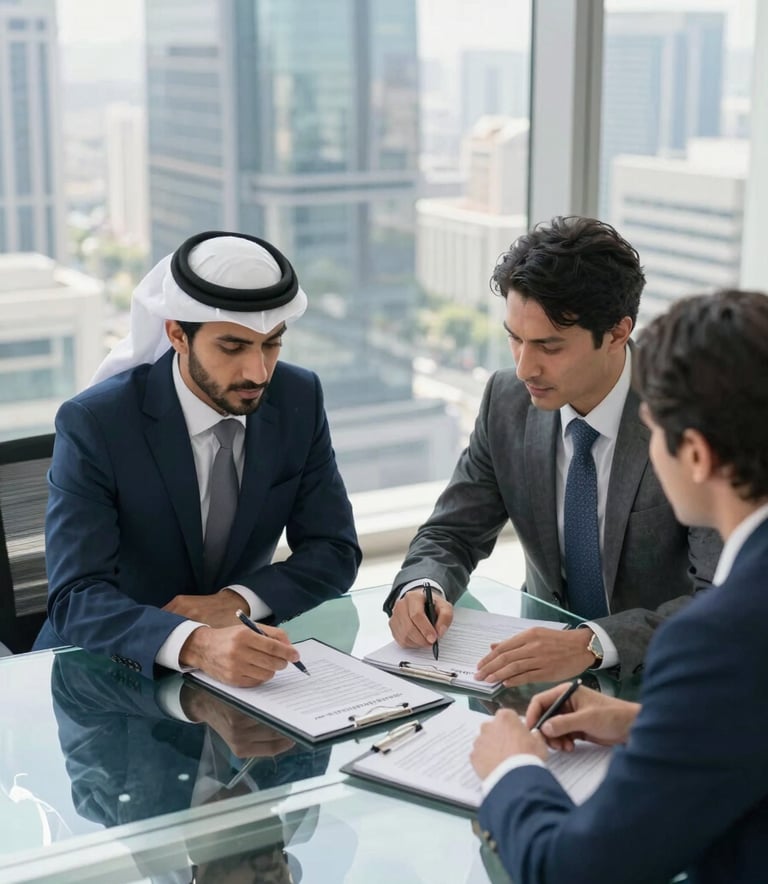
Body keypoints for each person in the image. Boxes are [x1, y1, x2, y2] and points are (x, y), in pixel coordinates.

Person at [469, 288, 768, 884]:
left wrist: (512, 771)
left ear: (698, 455)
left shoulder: (718, 637)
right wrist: (649, 723)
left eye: (654, 432)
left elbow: (576, 871)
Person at [385, 216, 720, 685]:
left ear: (618, 333)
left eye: (549, 346)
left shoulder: (689, 416)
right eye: (515, 339)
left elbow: (719, 598)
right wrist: (422, 586)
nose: (524, 368)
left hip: (668, 675)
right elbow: (453, 532)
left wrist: (591, 643)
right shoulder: (505, 400)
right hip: (533, 671)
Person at [34, 231, 361, 685]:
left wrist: (237, 599)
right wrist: (196, 642)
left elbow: (335, 551)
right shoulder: (96, 423)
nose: (257, 372)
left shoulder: (298, 397)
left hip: (243, 668)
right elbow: (76, 598)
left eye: (272, 343)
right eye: (233, 347)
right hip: (105, 678)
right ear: (177, 335)